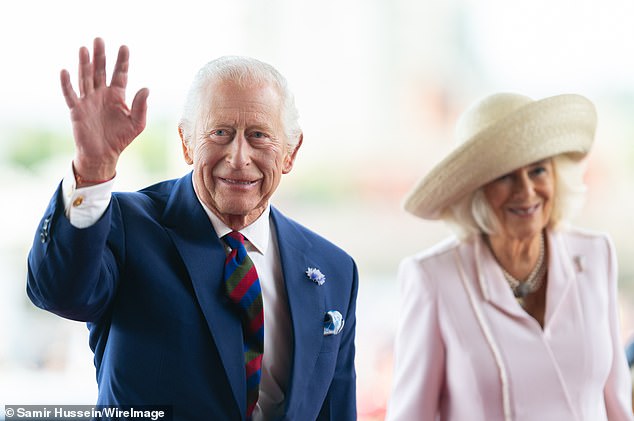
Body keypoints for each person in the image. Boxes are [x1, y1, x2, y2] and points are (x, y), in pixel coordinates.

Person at [26, 38, 358, 421]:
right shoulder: (125, 226)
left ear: (290, 153)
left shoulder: (334, 269)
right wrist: (92, 170)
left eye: (258, 136)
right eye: (220, 133)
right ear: (186, 144)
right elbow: (58, 291)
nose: (238, 158)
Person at [386, 93, 634, 420]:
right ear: (475, 189)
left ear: (556, 177)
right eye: (505, 175)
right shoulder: (433, 278)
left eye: (538, 171)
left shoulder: (595, 255)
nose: (526, 191)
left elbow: (616, 403)